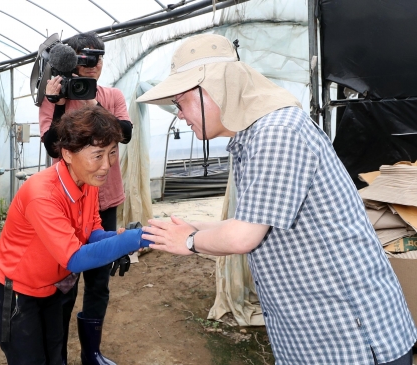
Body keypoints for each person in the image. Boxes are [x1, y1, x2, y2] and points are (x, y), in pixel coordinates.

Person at [137, 34, 417, 365]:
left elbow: (243, 236)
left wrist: (191, 241)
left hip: (349, 333)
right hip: (315, 333)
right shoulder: (253, 137)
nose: (180, 115)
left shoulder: (277, 132)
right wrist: (192, 225)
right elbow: (253, 222)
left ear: (212, 89)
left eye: (179, 103)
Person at [0, 106, 150, 365]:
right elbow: (74, 256)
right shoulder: (43, 194)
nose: (107, 165)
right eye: (97, 155)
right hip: (17, 291)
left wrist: (114, 241)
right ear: (68, 154)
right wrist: (136, 238)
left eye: (112, 153)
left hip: (54, 288)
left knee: (56, 357)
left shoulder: (88, 180)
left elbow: (91, 231)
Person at [39, 31, 132, 365]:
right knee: (64, 283)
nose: (94, 65)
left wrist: (94, 105)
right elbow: (51, 144)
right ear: (71, 60)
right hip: (68, 204)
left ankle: (91, 353)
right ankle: (58, 355)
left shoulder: (113, 95)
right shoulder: (58, 97)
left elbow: (125, 132)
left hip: (106, 201)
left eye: (99, 58)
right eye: (86, 58)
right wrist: (56, 103)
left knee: (99, 282)